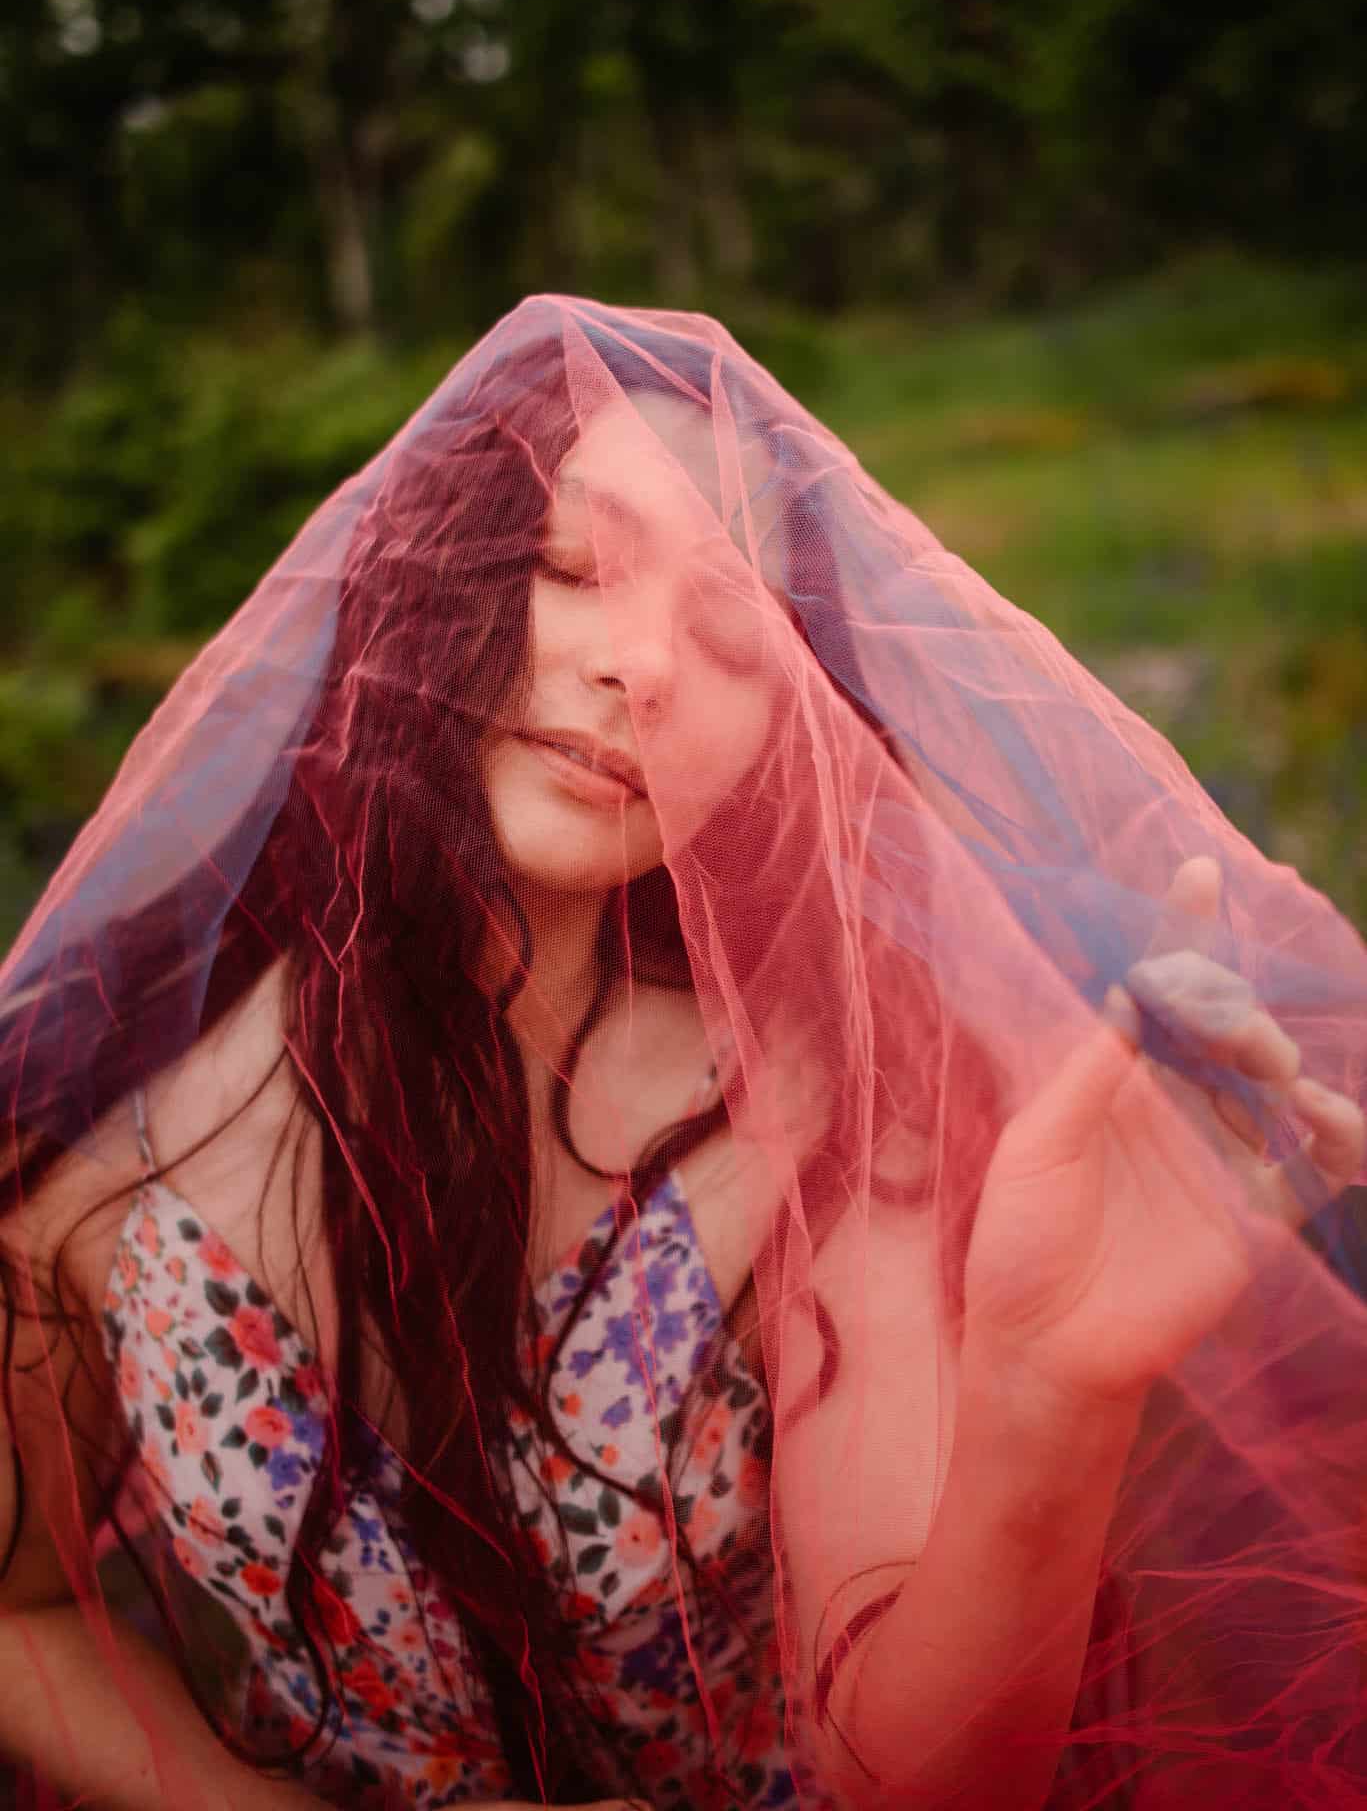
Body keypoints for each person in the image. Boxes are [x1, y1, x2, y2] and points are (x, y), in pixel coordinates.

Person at [1, 297, 1365, 1811]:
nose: (643, 663)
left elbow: (913, 1775)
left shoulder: (817, 1116)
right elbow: (19, 1612)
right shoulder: (101, 1130)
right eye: (567, 567)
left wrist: (1052, 1395)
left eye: (728, 633)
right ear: (415, 582)